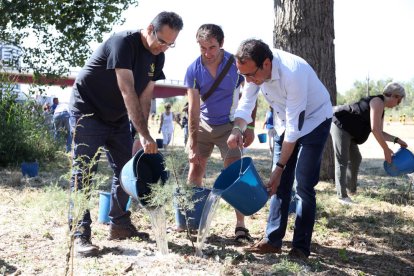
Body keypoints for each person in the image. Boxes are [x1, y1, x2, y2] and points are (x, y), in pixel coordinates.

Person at [68, 11, 183, 257]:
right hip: (87, 111)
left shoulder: (157, 58)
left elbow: (145, 96)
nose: (163, 48)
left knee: (127, 170)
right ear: (150, 28)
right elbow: (127, 90)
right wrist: (143, 133)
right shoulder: (123, 43)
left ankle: (119, 224)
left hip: (118, 118)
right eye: (161, 41)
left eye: (170, 44)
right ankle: (79, 235)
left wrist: (144, 135)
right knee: (84, 172)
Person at [227, 39, 332, 258]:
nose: (248, 80)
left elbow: (295, 129)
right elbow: (246, 103)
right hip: (285, 121)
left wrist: (279, 167)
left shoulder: (292, 73)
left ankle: (300, 247)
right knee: (279, 185)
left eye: (250, 75)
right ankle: (272, 240)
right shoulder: (253, 70)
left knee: (303, 184)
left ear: (266, 64)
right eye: (243, 76)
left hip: (314, 121)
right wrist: (237, 129)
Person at [182, 24, 256, 241]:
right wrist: (192, 140)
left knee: (234, 175)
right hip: (203, 125)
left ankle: (240, 226)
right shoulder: (193, 69)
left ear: (221, 44)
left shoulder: (236, 64)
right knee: (195, 169)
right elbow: (193, 108)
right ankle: (190, 220)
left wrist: (249, 127)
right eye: (202, 48)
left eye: (212, 47)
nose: (207, 53)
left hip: (230, 126)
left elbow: (251, 94)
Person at [331, 82, 407, 204]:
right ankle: (342, 197)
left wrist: (396, 140)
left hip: (351, 131)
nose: (398, 104)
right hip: (341, 124)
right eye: (399, 101)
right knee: (342, 160)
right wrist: (386, 150)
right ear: (395, 96)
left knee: (356, 158)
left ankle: (351, 189)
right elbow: (375, 129)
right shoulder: (378, 102)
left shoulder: (381, 108)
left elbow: (380, 131)